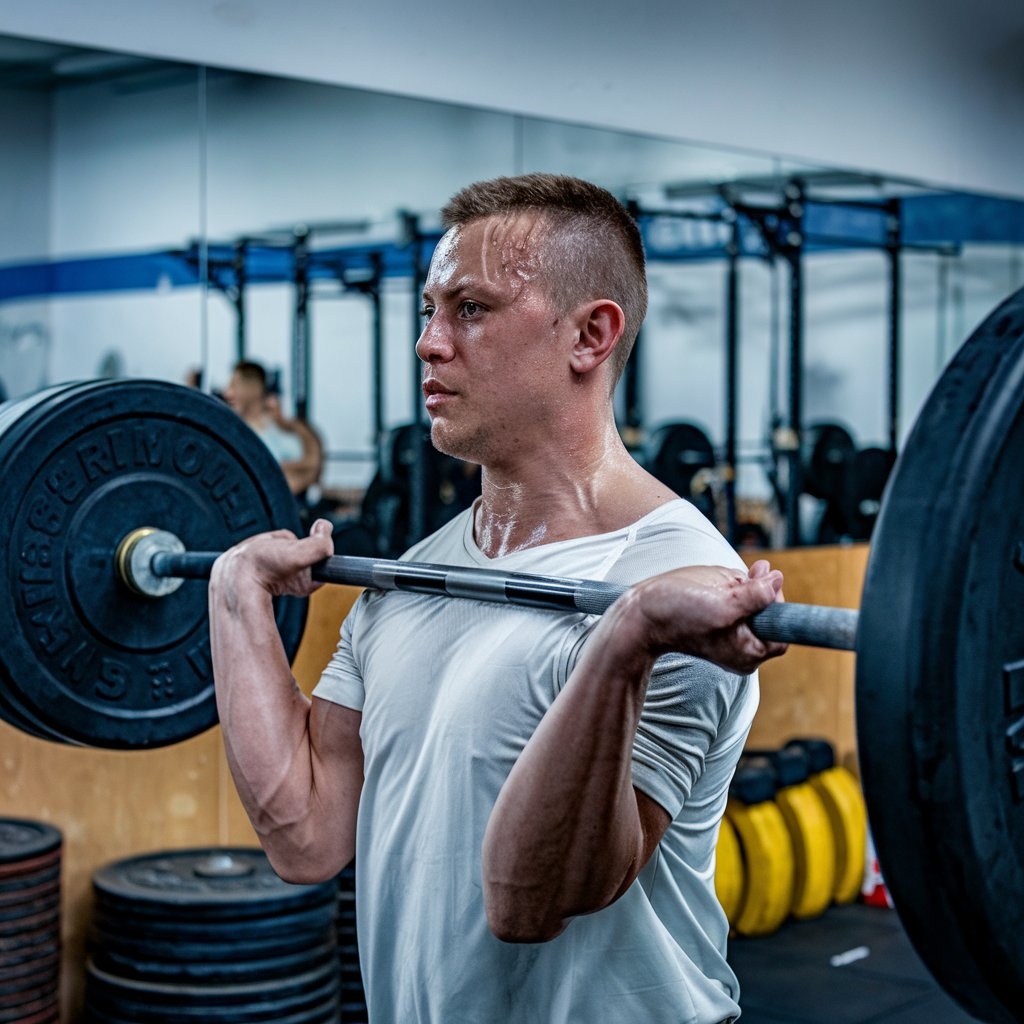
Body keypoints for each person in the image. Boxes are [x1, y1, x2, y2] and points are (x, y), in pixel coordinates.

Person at [209, 174, 786, 1024]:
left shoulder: (683, 581)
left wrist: (628, 638)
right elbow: (305, 833)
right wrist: (234, 599)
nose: (429, 345)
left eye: (470, 309)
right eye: (427, 311)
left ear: (591, 335)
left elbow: (531, 902)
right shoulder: (413, 577)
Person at [222, 360, 323, 497]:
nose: (227, 393)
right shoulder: (230, 432)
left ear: (253, 389)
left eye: (234, 385)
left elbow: (312, 464)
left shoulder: (277, 430)